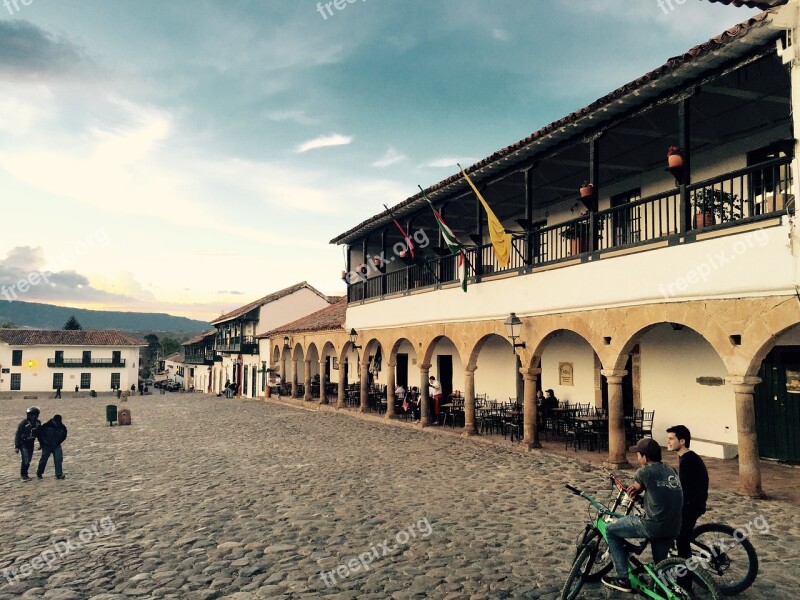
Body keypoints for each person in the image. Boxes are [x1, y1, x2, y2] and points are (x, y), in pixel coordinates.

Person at [602, 438, 683, 593]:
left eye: (638, 455)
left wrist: (631, 492)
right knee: (661, 564)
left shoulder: (644, 471)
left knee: (611, 530)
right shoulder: (671, 470)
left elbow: (634, 491)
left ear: (645, 457)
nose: (637, 458)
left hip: (653, 525)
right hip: (673, 526)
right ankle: (663, 591)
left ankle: (622, 578)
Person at [667, 425, 709, 589]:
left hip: (692, 505)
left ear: (682, 441)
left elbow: (683, 490)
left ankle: (684, 584)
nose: (668, 442)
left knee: (682, 542)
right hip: (692, 502)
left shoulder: (688, 460)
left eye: (671, 438)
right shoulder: (685, 457)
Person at [36, 414, 67, 479]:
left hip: (56, 445)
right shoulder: (45, 426)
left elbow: (64, 435)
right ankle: (39, 473)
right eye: (56, 422)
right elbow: (39, 435)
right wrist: (42, 444)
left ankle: (59, 474)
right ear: (53, 420)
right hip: (46, 446)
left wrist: (58, 442)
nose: (57, 424)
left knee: (58, 459)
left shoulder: (62, 427)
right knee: (44, 459)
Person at [14, 407, 41, 481]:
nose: (34, 416)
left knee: (29, 460)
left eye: (35, 415)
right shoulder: (24, 423)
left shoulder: (38, 423)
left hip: (31, 443)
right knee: (25, 459)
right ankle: (23, 475)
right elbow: (18, 435)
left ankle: (26, 473)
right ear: (29, 415)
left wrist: (40, 443)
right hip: (23, 443)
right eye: (32, 415)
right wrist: (17, 446)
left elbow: (39, 434)